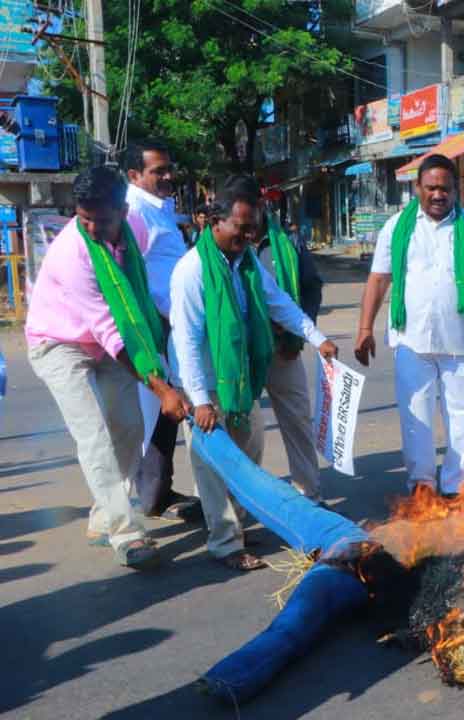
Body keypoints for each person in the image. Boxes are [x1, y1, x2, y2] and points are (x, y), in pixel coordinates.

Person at [171, 176, 340, 571]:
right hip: (205, 382)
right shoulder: (191, 271)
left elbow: (277, 302)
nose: (248, 238)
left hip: (241, 376)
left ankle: (240, 525)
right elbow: (188, 342)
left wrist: (317, 338)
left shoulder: (244, 263)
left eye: (253, 230)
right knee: (214, 465)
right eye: (241, 228)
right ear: (214, 222)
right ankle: (226, 543)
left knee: (249, 454)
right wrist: (199, 401)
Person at [25, 167, 190, 568]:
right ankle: (125, 531)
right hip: (58, 343)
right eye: (85, 219)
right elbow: (111, 333)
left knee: (129, 427)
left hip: (108, 342)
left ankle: (101, 516)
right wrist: (162, 388)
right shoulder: (72, 254)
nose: (94, 228)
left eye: (102, 219)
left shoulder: (135, 227)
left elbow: (133, 303)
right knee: (94, 436)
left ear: (122, 209)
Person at [354, 155, 464, 497]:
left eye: (445, 189)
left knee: (462, 417)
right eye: (431, 188)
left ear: (456, 190)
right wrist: (365, 328)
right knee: (415, 418)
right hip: (412, 340)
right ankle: (421, 483)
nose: (438, 195)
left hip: (462, 340)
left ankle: (456, 485)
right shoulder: (397, 227)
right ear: (418, 188)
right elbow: (379, 279)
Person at [125, 140, 198, 522]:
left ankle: (158, 492)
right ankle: (128, 508)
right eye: (158, 171)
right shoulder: (135, 211)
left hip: (174, 323)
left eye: (168, 168)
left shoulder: (158, 207)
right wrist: (175, 316)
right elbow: (138, 277)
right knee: (153, 413)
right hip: (156, 327)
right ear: (134, 176)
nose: (168, 176)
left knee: (169, 410)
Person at [257, 205, 327, 501]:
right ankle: (235, 508)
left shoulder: (288, 241)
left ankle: (308, 495)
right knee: (243, 434)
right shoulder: (216, 249)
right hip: (242, 355)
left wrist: (299, 329)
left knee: (298, 421)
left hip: (284, 349)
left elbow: (311, 288)